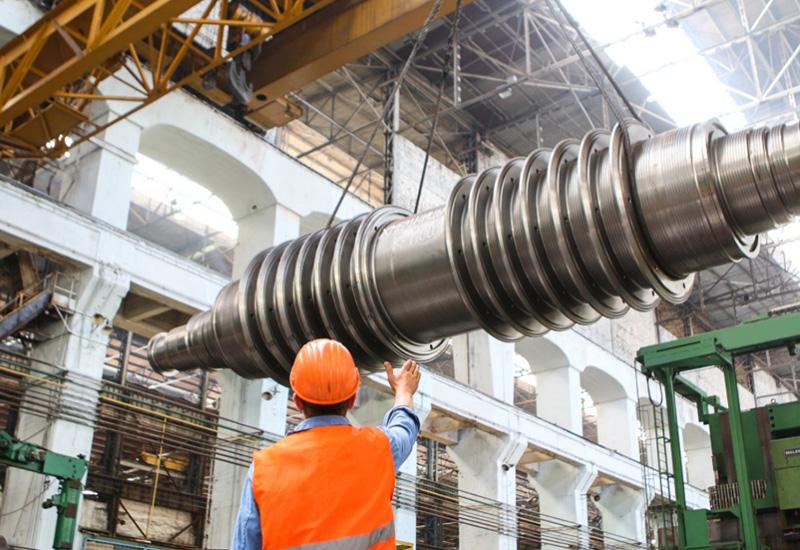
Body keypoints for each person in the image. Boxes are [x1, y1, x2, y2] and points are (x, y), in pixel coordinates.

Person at [231, 338, 422, 550]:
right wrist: (403, 389)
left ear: (297, 401)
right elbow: (404, 428)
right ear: (352, 399)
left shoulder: (262, 469)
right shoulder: (380, 449)